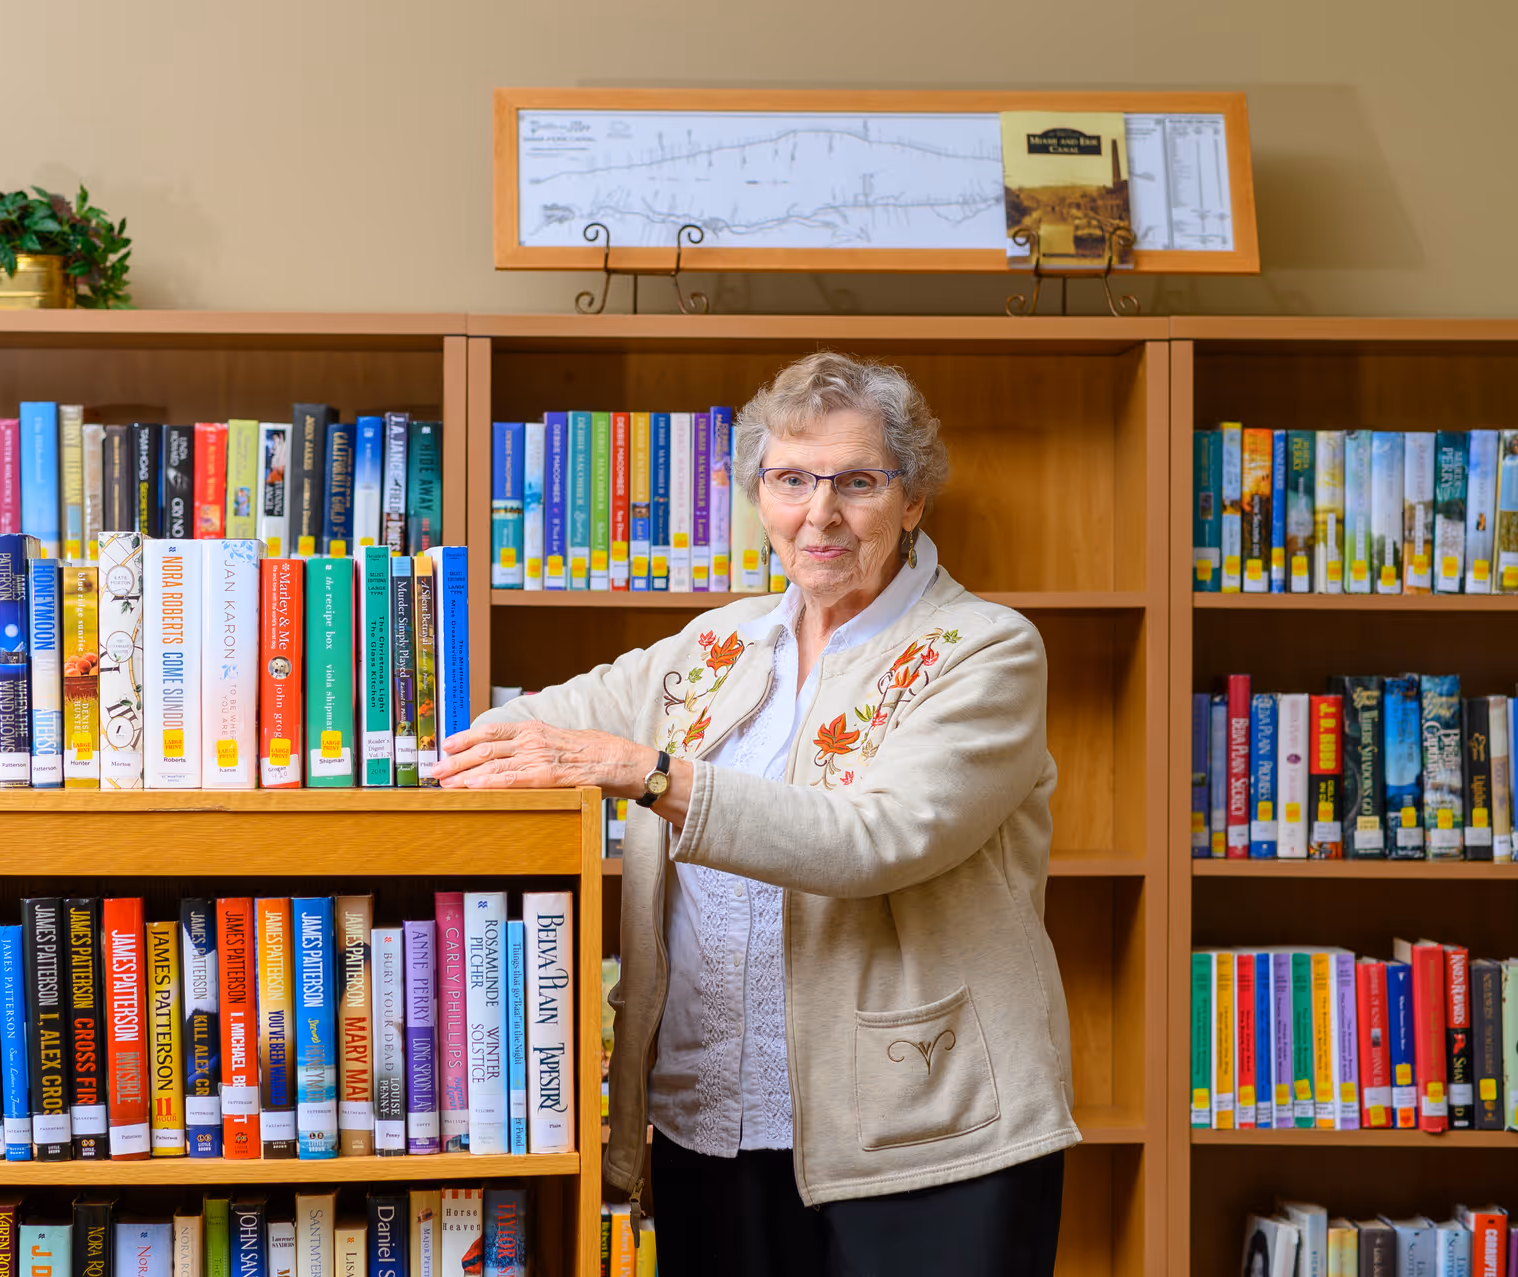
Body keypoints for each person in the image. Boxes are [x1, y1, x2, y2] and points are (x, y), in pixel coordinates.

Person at [433, 351, 1078, 1275]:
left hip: (923, 1137)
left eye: (856, 481)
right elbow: (534, 724)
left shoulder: (985, 651)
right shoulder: (719, 645)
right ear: (759, 495)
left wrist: (647, 771)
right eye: (791, 480)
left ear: (913, 500)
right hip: (712, 1126)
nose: (820, 513)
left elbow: (875, 838)